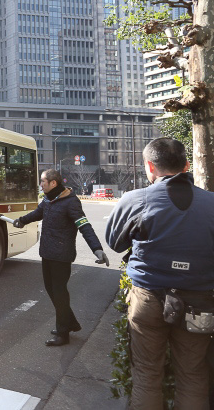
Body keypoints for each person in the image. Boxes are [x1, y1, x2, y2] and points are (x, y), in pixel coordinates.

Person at [106, 137, 214, 409]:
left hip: (149, 299)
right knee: (193, 373)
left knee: (146, 372)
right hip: (200, 301)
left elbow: (114, 242)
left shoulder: (136, 199)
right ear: (187, 165)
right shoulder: (211, 203)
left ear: (149, 167)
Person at [13, 168, 109, 346]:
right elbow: (37, 213)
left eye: (43, 181)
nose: (41, 184)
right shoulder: (48, 199)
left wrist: (97, 249)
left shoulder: (71, 202)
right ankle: (69, 322)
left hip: (62, 255)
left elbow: (84, 226)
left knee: (59, 293)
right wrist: (22, 220)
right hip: (47, 253)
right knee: (52, 290)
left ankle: (62, 333)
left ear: (53, 183)